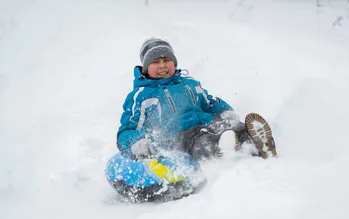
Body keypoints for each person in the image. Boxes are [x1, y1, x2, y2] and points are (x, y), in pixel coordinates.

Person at [109, 37, 277, 202]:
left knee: (230, 126)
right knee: (201, 140)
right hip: (177, 136)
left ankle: (254, 141)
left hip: (207, 122)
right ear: (146, 68)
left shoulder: (189, 84)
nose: (162, 65)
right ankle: (221, 151)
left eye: (167, 60)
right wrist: (136, 142)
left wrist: (224, 111)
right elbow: (127, 129)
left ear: (174, 63)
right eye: (155, 62)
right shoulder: (141, 96)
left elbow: (210, 102)